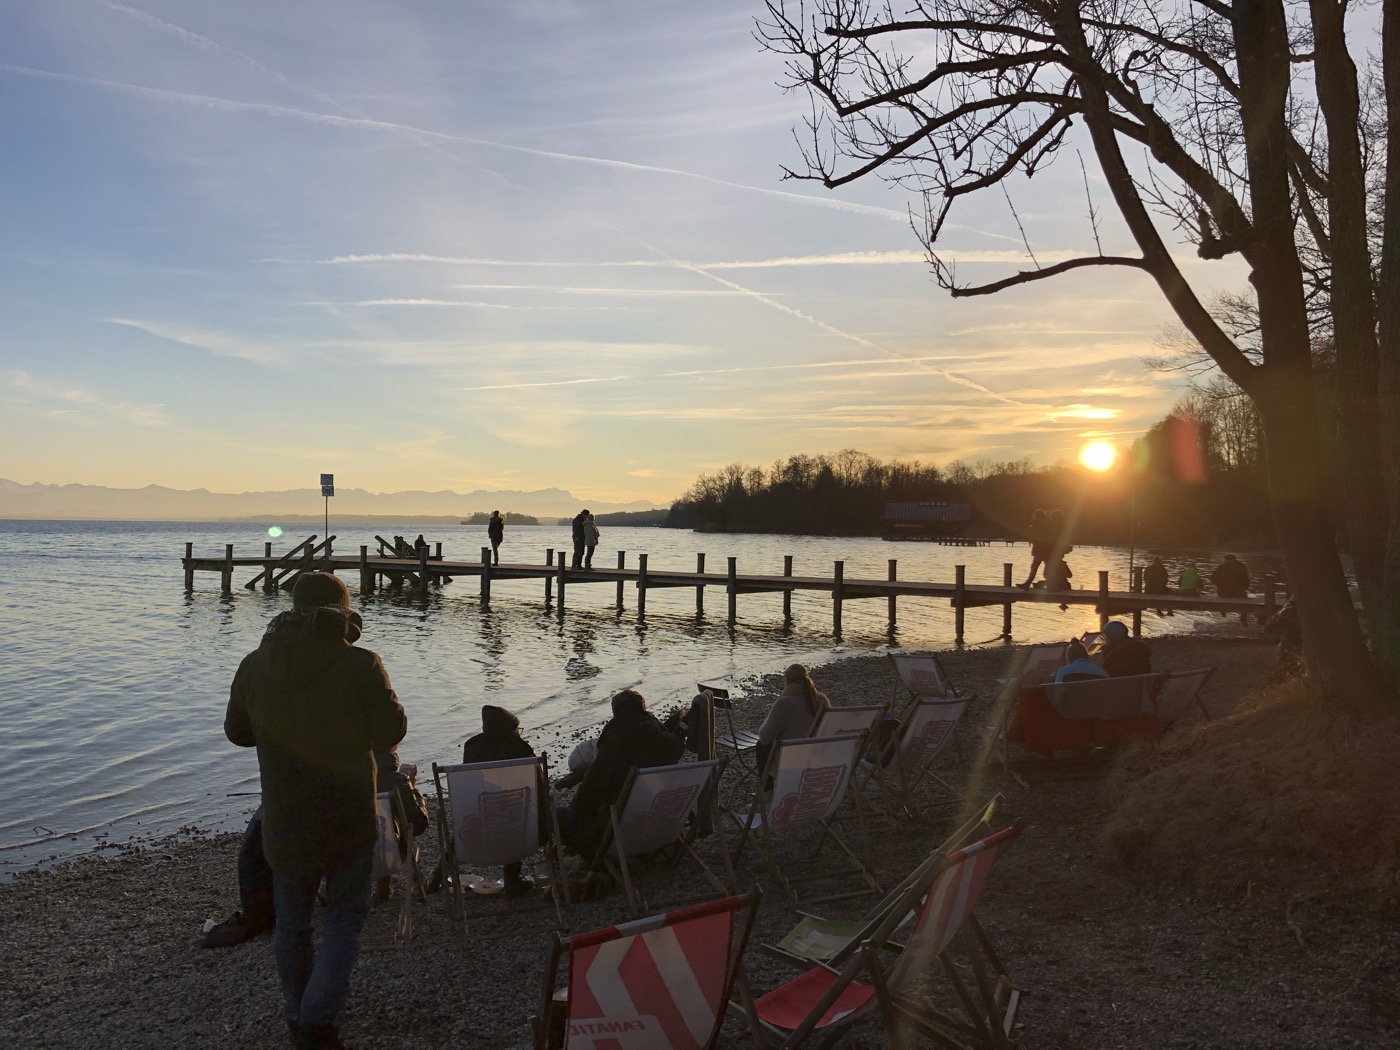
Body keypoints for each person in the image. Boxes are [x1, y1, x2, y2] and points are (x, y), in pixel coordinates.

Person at [225, 572, 407, 1050]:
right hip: (347, 813)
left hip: (285, 814)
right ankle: (317, 1023)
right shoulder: (360, 663)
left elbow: (238, 732)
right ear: (343, 613)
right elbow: (390, 731)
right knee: (345, 917)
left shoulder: (256, 663)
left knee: (293, 922)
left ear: (292, 608)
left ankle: (297, 1014)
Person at [556, 689, 683, 858]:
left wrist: (575, 810)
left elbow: (589, 793)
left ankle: (587, 854)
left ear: (616, 714)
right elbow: (676, 742)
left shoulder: (613, 746)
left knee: (558, 815)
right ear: (643, 710)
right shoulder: (668, 745)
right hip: (656, 817)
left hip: (617, 827)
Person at [460, 705, 539, 896]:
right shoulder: (522, 752)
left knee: (474, 818)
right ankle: (512, 879)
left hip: (474, 830)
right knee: (516, 813)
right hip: (521, 828)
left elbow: (466, 792)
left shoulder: (473, 749)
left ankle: (436, 878)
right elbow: (539, 792)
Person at [754, 663, 831, 777]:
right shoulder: (822, 700)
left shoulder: (784, 703)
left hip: (790, 763)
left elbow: (764, 737)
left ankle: (767, 785)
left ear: (786, 681)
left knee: (761, 746)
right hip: (818, 758)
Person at [1017, 509, 1049, 589]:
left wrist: (1030, 532)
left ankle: (1027, 584)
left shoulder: (1037, 525)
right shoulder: (1046, 524)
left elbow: (1033, 538)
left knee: (1034, 568)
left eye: (1034, 516)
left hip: (1039, 550)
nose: (1034, 518)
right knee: (1047, 568)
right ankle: (1030, 584)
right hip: (1045, 550)